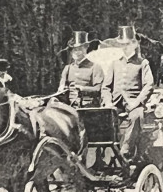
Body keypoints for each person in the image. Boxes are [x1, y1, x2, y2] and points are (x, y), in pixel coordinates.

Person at [110, 24, 156, 160]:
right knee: (101, 117)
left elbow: (149, 84)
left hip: (134, 103)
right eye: (122, 44)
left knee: (136, 116)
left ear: (134, 44)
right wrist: (108, 103)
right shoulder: (115, 64)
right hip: (116, 103)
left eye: (128, 44)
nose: (124, 47)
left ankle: (126, 149)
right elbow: (106, 87)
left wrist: (136, 103)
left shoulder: (143, 63)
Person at [55, 31, 110, 107]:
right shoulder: (67, 68)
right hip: (69, 105)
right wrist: (61, 89)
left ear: (86, 48)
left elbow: (98, 89)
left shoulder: (95, 67)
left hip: (88, 105)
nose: (76, 52)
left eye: (80, 49)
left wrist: (82, 88)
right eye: (74, 50)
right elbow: (61, 89)